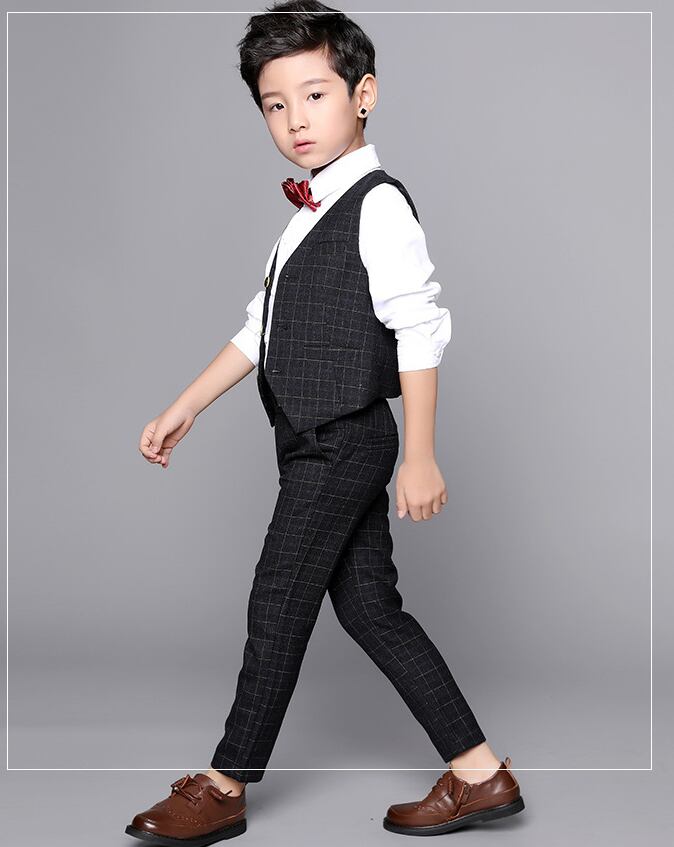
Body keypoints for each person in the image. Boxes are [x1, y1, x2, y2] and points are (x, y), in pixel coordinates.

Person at [126, 2, 525, 843]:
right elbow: (259, 327)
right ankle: (479, 772)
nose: (295, 119)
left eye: (314, 95)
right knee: (371, 609)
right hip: (313, 437)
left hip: (343, 437)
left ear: (363, 94)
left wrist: (421, 454)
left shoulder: (377, 205)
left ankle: (224, 784)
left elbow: (418, 327)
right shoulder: (306, 214)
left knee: (278, 598)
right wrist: (184, 405)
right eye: (275, 105)